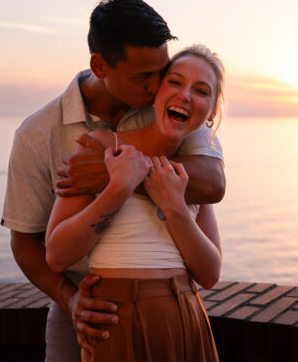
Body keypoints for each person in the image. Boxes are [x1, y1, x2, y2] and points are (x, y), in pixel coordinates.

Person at [1, 0, 225, 361]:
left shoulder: (171, 108)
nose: (158, 86)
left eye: (162, 71)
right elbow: (26, 243)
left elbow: (212, 183)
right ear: (101, 66)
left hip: (172, 306)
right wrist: (72, 302)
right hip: (85, 304)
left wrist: (117, 170)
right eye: (144, 77)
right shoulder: (38, 134)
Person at [45, 45, 224, 361]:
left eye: (201, 90)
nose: (185, 95)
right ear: (155, 92)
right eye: (175, 82)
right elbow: (57, 254)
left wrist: (175, 208)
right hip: (115, 319)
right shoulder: (99, 146)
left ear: (211, 113)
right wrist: (118, 188)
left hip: (184, 316)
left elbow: (209, 274)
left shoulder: (196, 168)